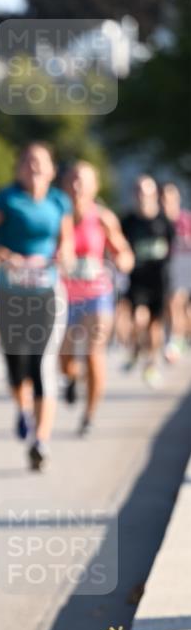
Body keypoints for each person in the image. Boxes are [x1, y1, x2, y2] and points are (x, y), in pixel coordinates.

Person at [0, 143, 74, 472]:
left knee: (42, 364)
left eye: (40, 162)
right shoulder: (7, 199)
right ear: (18, 168)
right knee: (15, 366)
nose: (33, 167)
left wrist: (62, 254)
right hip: (10, 294)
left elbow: (65, 239)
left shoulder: (58, 201)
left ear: (51, 169)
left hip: (47, 291)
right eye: (27, 161)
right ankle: (22, 410)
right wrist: (6, 256)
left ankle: (41, 440)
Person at [59, 161, 133, 435]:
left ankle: (89, 414)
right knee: (65, 358)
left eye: (83, 180)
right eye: (73, 180)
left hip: (96, 294)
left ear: (94, 186)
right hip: (62, 296)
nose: (77, 186)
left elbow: (123, 251)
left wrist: (123, 260)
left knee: (93, 353)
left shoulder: (102, 217)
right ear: (65, 185)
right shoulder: (57, 216)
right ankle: (70, 378)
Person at [120, 174, 175, 387]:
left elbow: (171, 249)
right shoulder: (128, 222)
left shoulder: (164, 222)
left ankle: (150, 364)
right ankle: (135, 349)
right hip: (137, 280)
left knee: (155, 327)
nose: (143, 196)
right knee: (138, 319)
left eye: (147, 191)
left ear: (154, 194)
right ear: (134, 194)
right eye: (139, 191)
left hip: (159, 280)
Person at [160, 182, 191, 361]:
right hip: (167, 267)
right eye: (163, 199)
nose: (166, 203)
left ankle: (178, 339)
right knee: (172, 303)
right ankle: (176, 339)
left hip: (186, 265)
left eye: (170, 199)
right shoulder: (159, 221)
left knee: (182, 305)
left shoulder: (185, 220)